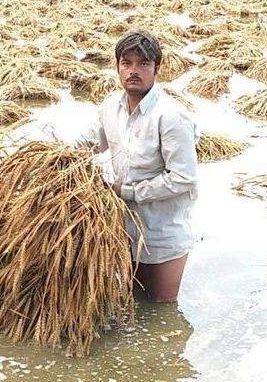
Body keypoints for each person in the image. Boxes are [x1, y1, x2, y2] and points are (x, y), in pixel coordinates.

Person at [80, 30, 198, 303]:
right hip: (122, 228)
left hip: (162, 231)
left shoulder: (171, 116)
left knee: (161, 309)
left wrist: (127, 191)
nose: (134, 71)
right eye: (126, 63)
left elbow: (183, 178)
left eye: (143, 64)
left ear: (157, 68)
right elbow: (89, 142)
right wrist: (50, 153)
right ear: (117, 67)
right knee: (132, 304)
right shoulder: (110, 107)